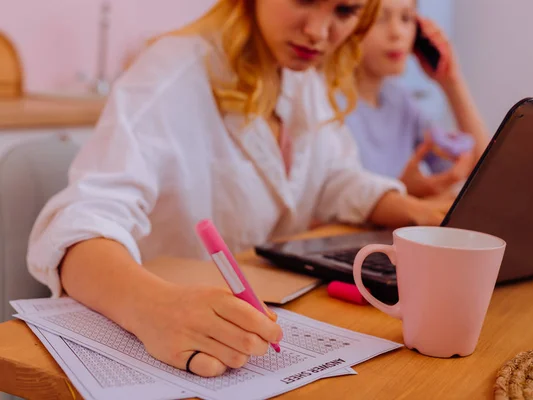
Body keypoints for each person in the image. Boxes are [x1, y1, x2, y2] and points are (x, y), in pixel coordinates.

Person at [26, 0, 451, 378]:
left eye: (344, 10)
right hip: (173, 344)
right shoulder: (171, 72)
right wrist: (152, 307)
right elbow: (79, 227)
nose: (321, 33)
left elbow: (335, 178)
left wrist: (420, 213)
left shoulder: (301, 76)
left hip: (256, 328)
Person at [345, 0, 490, 198]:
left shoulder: (399, 100)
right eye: (379, 18)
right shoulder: (328, 104)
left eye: (407, 18)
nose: (397, 33)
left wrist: (451, 82)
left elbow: (487, 171)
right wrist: (403, 192)